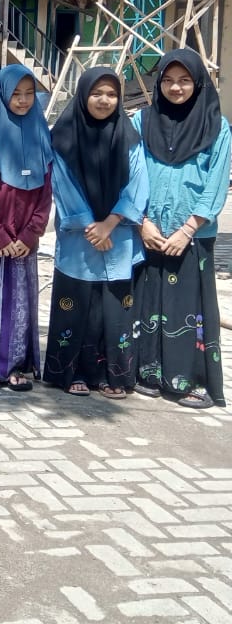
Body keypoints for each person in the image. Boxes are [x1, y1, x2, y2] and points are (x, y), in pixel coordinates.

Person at [43, 68, 148, 398]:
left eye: (111, 94)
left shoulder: (128, 136)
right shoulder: (62, 135)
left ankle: (109, 374)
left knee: (114, 312)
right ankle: (69, 372)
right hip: (80, 239)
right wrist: (91, 223)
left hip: (117, 238)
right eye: (97, 93)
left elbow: (139, 184)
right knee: (75, 307)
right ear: (83, 94)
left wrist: (111, 223)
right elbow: (62, 185)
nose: (104, 100)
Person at [133, 49, 229, 409]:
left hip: (192, 235)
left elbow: (217, 184)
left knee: (191, 310)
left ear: (198, 83)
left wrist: (188, 229)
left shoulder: (217, 128)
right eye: (169, 80)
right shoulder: (141, 122)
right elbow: (129, 173)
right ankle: (149, 373)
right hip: (150, 231)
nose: (176, 88)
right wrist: (141, 221)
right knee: (149, 303)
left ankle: (193, 382)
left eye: (185, 80)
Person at [0, 64, 53, 392]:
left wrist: (31, 234)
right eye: (15, 94)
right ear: (2, 94)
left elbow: (46, 193)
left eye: (29, 94)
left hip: (24, 244)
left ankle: (15, 365)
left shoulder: (40, 133)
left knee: (18, 307)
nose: (22, 101)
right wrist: (0, 235)